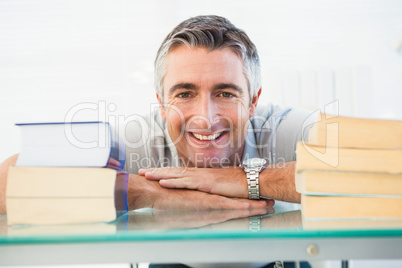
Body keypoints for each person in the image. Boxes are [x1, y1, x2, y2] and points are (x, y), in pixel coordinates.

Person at [0, 15, 312, 214]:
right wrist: (145, 191)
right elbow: (9, 179)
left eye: (226, 93)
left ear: (254, 100)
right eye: (185, 94)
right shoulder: (140, 140)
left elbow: (362, 170)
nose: (205, 117)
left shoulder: (280, 128)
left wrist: (244, 180)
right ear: (162, 104)